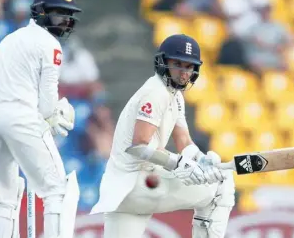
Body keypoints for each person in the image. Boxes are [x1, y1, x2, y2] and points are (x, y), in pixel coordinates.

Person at [90, 34, 236, 238]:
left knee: (216, 177)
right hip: (138, 182)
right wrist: (178, 163)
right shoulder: (155, 92)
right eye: (177, 64)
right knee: (222, 185)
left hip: (120, 193)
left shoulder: (174, 96)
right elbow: (139, 145)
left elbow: (184, 141)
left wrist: (201, 160)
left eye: (189, 66)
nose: (184, 72)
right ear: (162, 62)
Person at [0, 0, 82, 238]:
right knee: (57, 189)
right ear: (41, 12)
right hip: (19, 116)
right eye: (59, 15)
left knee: (4, 195)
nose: (65, 22)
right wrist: (57, 113)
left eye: (68, 16)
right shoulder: (50, 45)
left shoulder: (10, 39)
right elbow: (47, 105)